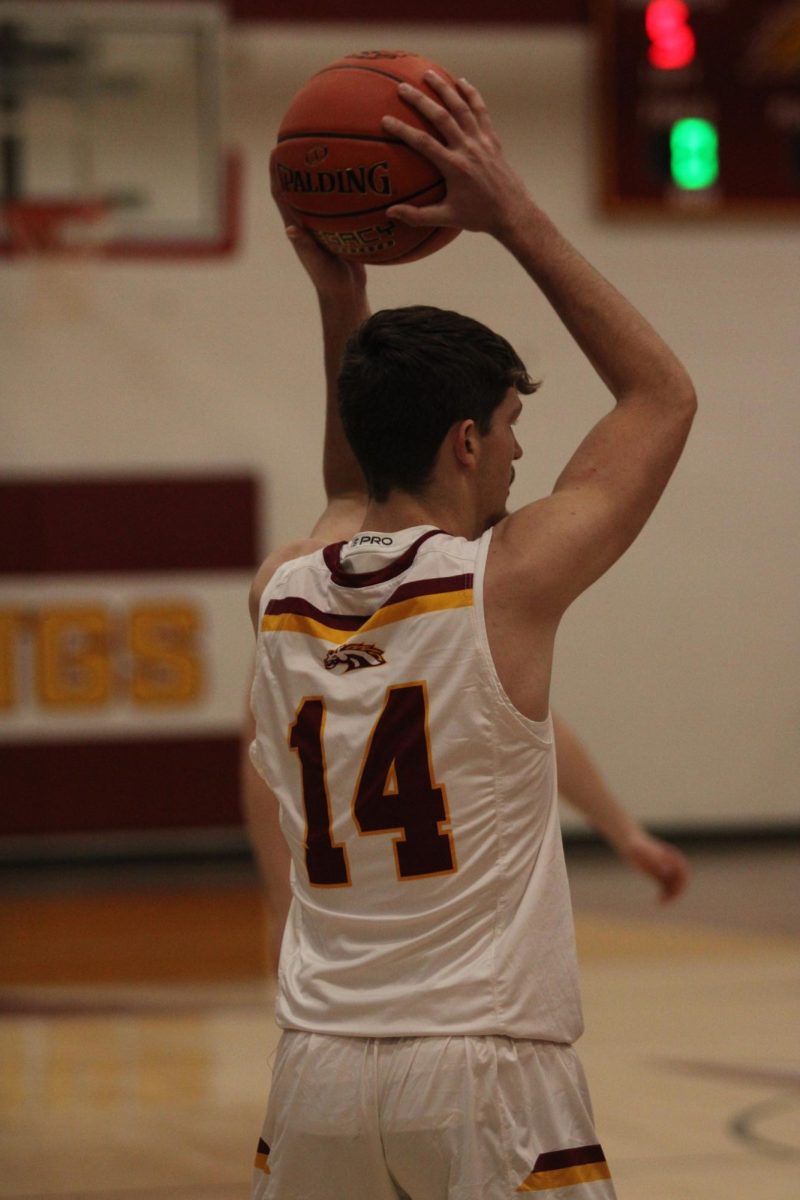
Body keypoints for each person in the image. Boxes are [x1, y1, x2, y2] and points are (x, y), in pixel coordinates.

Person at [247, 72, 696, 1200]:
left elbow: (351, 489)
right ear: (462, 440)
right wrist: (507, 213)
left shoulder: (283, 590)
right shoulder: (505, 583)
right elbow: (658, 397)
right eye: (509, 428)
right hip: (483, 1069)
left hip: (315, 1075)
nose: (516, 456)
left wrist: (339, 301)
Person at [241, 710, 689, 973]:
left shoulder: (291, 589)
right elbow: (534, 722)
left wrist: (284, 906)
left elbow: (532, 724)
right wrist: (625, 834)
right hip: (437, 943)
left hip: (373, 944)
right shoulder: (463, 590)